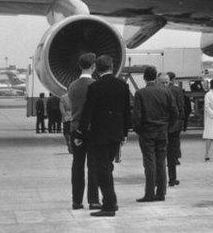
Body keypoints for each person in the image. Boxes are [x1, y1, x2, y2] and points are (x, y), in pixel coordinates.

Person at [79, 54, 131, 217]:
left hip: (99, 135)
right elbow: (126, 112)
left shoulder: (95, 87)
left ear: (97, 69)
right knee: (107, 167)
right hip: (116, 134)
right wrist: (125, 133)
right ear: (112, 67)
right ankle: (111, 201)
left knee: (102, 170)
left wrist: (82, 132)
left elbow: (88, 112)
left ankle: (109, 205)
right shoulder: (122, 86)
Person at [132, 66, 179, 203]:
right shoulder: (166, 92)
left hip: (147, 131)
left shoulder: (140, 93)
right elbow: (175, 113)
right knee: (161, 161)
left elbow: (137, 115)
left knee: (149, 162)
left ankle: (149, 193)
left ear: (144, 78)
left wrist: (139, 129)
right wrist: (167, 126)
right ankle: (161, 193)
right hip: (162, 131)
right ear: (156, 78)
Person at [67, 52, 100, 210]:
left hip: (76, 129)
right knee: (93, 165)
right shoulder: (96, 84)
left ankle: (76, 201)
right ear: (93, 66)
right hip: (93, 131)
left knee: (77, 165)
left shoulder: (72, 85)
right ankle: (93, 200)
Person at [163, 72, 186, 187]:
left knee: (159, 155)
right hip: (174, 126)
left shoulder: (159, 90)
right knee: (172, 153)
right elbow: (181, 107)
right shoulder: (177, 90)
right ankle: (172, 179)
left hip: (161, 126)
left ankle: (159, 179)